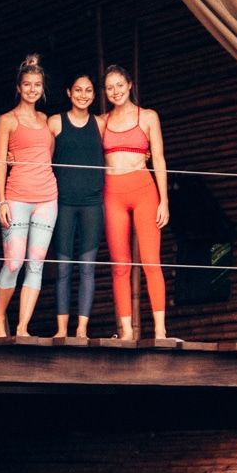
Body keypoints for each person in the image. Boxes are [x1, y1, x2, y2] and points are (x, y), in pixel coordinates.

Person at [100, 64, 170, 342]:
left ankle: (161, 330)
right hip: (112, 192)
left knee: (151, 262)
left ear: (129, 85)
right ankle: (126, 331)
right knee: (120, 265)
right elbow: (68, 132)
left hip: (144, 189)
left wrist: (164, 200)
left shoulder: (149, 116)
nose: (115, 91)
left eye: (119, 84)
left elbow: (160, 159)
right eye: (109, 87)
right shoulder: (101, 121)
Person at [0, 54, 57, 338]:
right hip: (16, 196)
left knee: (36, 264)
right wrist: (1, 201)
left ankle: (22, 327)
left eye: (37, 85)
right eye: (27, 84)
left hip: (47, 198)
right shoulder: (7, 120)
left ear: (43, 89)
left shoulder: (45, 120)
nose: (32, 89)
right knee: (14, 261)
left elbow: (48, 156)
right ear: (18, 87)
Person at [49, 74, 105, 341]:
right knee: (62, 269)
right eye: (78, 90)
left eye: (89, 91)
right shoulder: (55, 122)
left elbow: (119, 148)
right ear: (69, 92)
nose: (83, 95)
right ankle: (62, 329)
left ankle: (81, 328)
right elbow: (39, 153)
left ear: (94, 95)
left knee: (87, 268)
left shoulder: (101, 124)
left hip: (93, 203)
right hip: (62, 204)